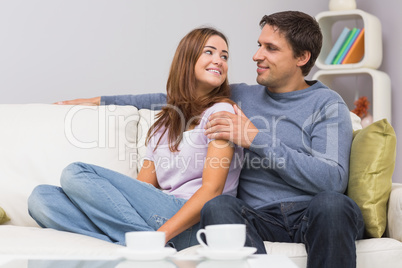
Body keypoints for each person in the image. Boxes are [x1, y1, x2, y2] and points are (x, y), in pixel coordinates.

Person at [56, 11, 365, 268]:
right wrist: (99, 100)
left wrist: (255, 138)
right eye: (259, 45)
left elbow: (332, 180)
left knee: (333, 204)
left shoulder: (327, 104)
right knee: (218, 207)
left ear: (302, 57)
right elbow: (174, 97)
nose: (256, 55)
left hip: (312, 211)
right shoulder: (242, 95)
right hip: (257, 216)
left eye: (270, 48)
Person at [28, 27, 244, 251]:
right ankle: (136, 243)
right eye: (209, 52)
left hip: (193, 222)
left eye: (224, 56)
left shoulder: (222, 113)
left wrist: (160, 236)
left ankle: (148, 243)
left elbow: (212, 192)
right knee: (41, 198)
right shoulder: (163, 124)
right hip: (157, 215)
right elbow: (141, 187)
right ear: (187, 59)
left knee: (75, 172)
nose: (219, 60)